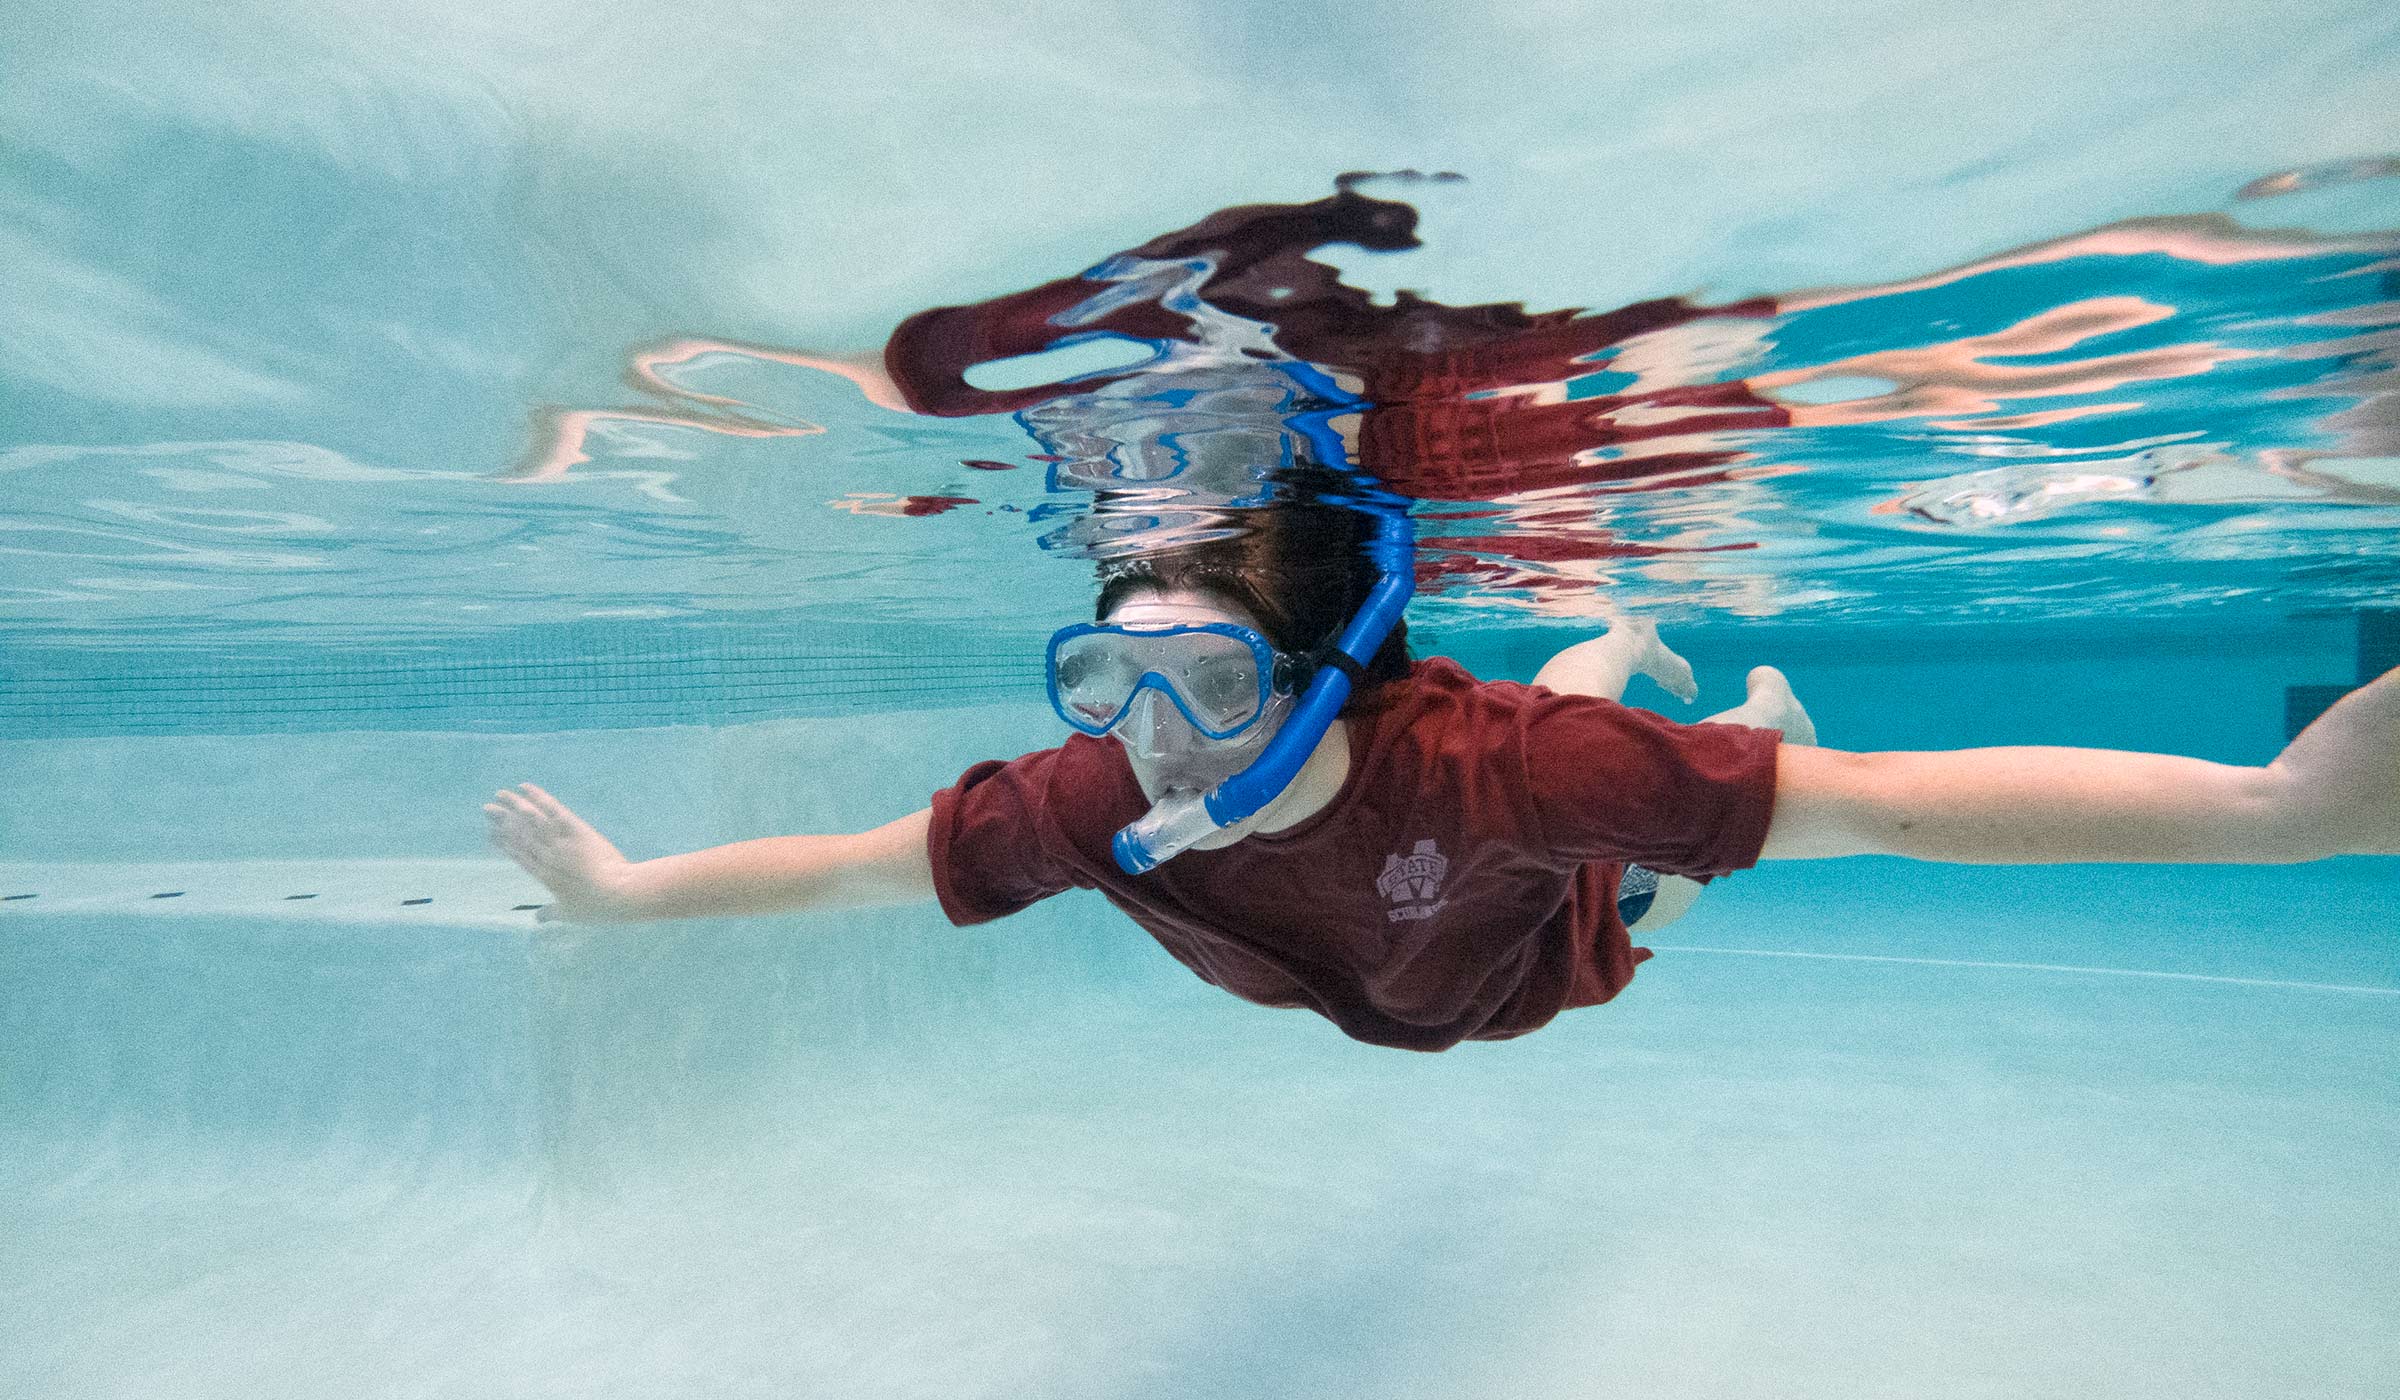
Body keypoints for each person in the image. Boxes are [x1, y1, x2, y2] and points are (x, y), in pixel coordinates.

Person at [484, 504, 2400, 1054]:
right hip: (1411, 926)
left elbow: (1909, 806)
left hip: (1520, 954)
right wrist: (631, 892)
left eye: (1211, 679)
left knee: (1653, 854)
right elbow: (851, 865)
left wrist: (2276, 807)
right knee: (1591, 731)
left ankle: (1720, 723)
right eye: (1109, 676)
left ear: (1322, 681)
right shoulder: (1090, 802)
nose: (1148, 734)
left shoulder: (1499, 772)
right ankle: (1625, 633)